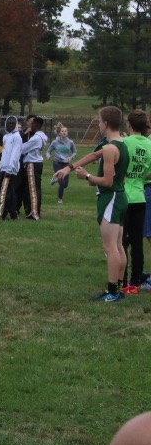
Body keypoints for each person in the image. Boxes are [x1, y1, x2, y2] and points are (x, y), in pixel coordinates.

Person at [53, 106, 130, 302]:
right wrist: (68, 168)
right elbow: (94, 156)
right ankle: (118, 287)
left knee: (110, 247)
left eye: (99, 121)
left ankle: (112, 291)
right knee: (119, 245)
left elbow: (107, 181)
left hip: (111, 197)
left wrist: (86, 175)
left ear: (105, 123)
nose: (98, 124)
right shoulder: (118, 143)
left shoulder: (111, 148)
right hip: (119, 198)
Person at [120, 109, 151, 294]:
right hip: (140, 197)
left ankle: (122, 281)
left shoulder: (124, 143)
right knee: (138, 243)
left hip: (124, 197)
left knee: (122, 242)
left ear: (129, 125)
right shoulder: (148, 145)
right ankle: (135, 283)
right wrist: (138, 177)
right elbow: (149, 173)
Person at [20, 116, 48, 220]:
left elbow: (22, 149)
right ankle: (32, 211)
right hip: (37, 162)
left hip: (32, 163)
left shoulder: (36, 138)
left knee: (32, 188)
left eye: (32, 124)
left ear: (36, 125)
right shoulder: (42, 136)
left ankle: (34, 213)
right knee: (35, 188)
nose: (30, 125)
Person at [0, 116, 22, 220]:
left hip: (10, 170)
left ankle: (2, 213)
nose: (10, 125)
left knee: (4, 192)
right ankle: (13, 214)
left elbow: (15, 154)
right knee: (10, 192)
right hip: (3, 168)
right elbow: (4, 153)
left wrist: (10, 169)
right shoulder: (5, 137)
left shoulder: (17, 137)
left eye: (13, 123)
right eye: (9, 123)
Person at [45, 123, 77, 204]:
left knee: (65, 184)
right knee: (62, 182)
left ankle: (55, 179)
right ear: (59, 133)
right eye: (62, 131)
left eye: (66, 131)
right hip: (57, 163)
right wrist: (48, 156)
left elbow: (75, 151)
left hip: (66, 164)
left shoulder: (70, 142)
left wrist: (71, 157)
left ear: (67, 133)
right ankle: (60, 199)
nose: (64, 132)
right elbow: (48, 151)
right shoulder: (55, 142)